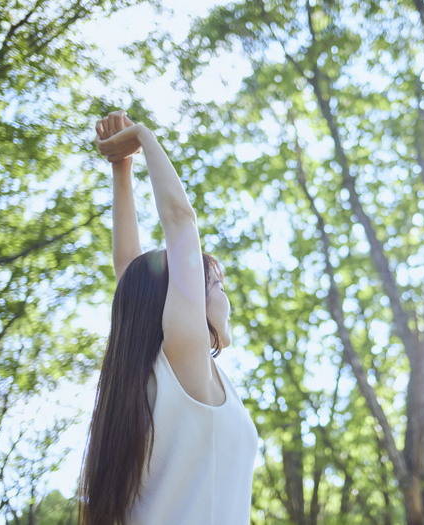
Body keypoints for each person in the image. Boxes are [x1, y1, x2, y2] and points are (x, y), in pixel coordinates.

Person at [77, 111, 258, 525]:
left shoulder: (160, 378)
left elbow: (130, 270)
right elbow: (180, 220)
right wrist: (142, 136)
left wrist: (121, 168)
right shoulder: (185, 362)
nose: (226, 297)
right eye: (218, 286)